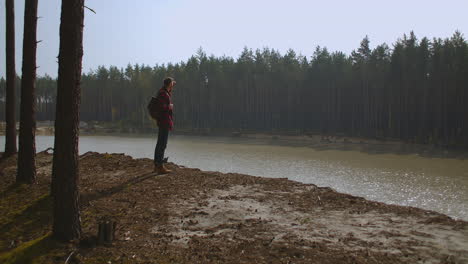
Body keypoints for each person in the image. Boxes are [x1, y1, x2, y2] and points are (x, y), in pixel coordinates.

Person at [153, 77, 175, 174]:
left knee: (160, 144)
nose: (173, 85)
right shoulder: (163, 93)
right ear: (169, 84)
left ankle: (157, 165)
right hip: (164, 121)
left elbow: (162, 105)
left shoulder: (163, 92)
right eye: (172, 83)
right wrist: (169, 107)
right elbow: (162, 107)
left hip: (163, 121)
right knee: (162, 144)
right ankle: (160, 166)